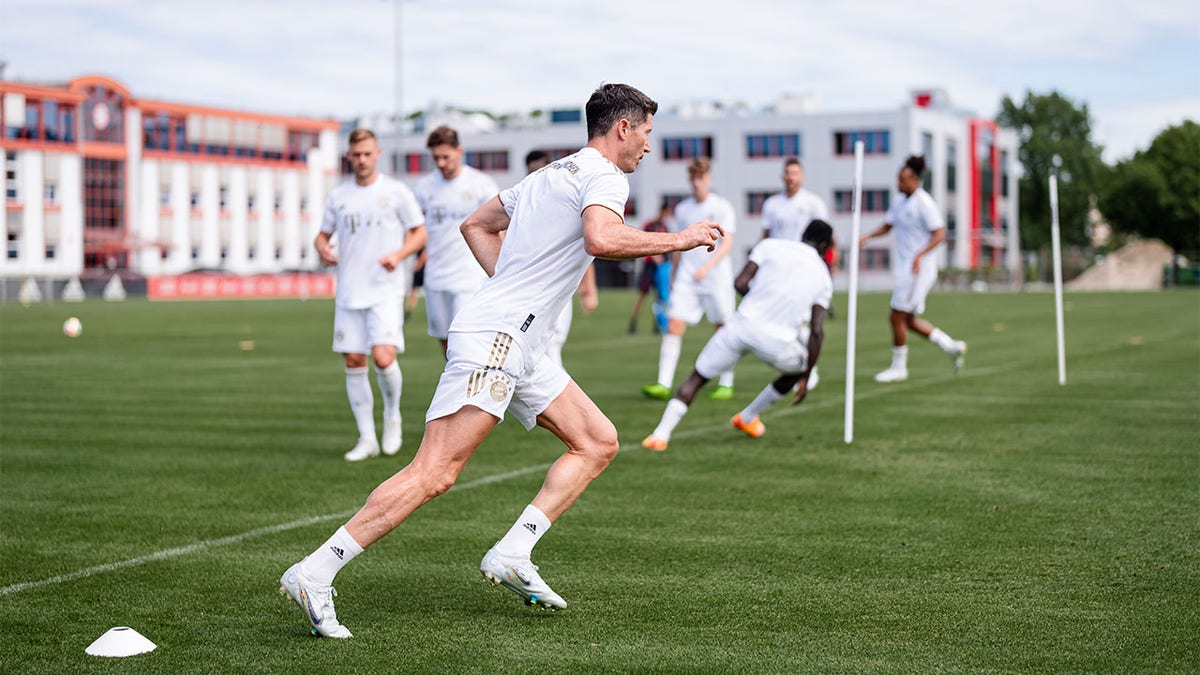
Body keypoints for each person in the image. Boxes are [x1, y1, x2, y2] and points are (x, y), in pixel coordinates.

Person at [279, 83, 724, 638]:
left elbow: (475, 225)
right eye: (648, 134)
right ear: (623, 128)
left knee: (597, 440)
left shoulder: (550, 174)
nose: (648, 148)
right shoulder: (606, 176)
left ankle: (513, 552)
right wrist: (679, 238)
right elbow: (601, 238)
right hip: (498, 337)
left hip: (518, 339)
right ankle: (315, 572)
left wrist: (513, 292)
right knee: (435, 472)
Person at [642, 220, 833, 450]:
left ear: (804, 233)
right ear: (824, 245)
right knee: (799, 369)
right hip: (777, 342)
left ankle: (659, 435)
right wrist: (807, 375)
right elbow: (817, 333)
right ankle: (748, 417)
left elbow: (740, 282)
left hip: (740, 327)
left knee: (697, 378)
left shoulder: (770, 245)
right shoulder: (823, 277)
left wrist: (758, 302)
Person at [314, 128, 427, 462]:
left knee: (383, 357)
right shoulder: (339, 196)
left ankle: (392, 417)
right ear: (349, 157)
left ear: (377, 154)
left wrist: (399, 254)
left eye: (367, 154)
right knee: (353, 360)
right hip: (350, 289)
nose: (361, 160)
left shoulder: (396, 192)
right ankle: (367, 438)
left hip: (385, 289)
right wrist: (323, 250)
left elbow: (420, 232)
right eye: (356, 155)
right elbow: (321, 237)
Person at [858, 155, 966, 383]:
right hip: (906, 268)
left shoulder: (924, 203)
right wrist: (868, 236)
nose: (898, 184)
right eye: (898, 179)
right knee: (907, 320)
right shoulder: (899, 201)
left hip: (919, 270)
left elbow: (940, 234)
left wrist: (919, 255)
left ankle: (899, 368)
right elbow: (888, 225)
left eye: (903, 180)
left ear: (915, 180)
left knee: (895, 315)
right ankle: (950, 346)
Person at [642, 158, 737, 401]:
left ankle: (726, 382)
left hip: (715, 278)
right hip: (687, 278)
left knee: (723, 327)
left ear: (708, 179)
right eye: (693, 179)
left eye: (701, 179)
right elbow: (678, 245)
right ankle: (663, 383)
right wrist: (674, 275)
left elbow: (727, 244)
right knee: (674, 326)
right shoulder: (683, 209)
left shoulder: (723, 207)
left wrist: (707, 267)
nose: (696, 184)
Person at [414, 126, 500, 358]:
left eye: (445, 157)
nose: (441, 163)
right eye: (436, 158)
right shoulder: (423, 188)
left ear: (459, 151)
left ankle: (474, 392)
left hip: (469, 276)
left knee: (466, 340)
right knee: (446, 344)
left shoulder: (481, 184)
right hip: (436, 277)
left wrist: (500, 267)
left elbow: (499, 228)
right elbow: (417, 230)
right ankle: (459, 392)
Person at [524, 150, 600, 367]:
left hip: (558, 283)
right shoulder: (525, 201)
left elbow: (586, 245)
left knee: (551, 344)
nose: (535, 175)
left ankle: (556, 399)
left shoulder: (565, 202)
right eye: (531, 171)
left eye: (539, 170)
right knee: (535, 349)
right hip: (529, 286)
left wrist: (589, 289)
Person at [628, 206, 673, 335]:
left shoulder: (665, 228)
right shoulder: (650, 225)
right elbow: (644, 242)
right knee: (642, 296)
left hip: (661, 269)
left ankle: (657, 324)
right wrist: (654, 257)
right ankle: (633, 322)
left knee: (659, 297)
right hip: (649, 267)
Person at [759, 157, 828, 241]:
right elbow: (765, 234)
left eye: (794, 173)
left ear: (802, 176)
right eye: (787, 173)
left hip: (803, 252)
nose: (790, 178)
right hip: (778, 253)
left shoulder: (814, 203)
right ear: (782, 176)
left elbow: (823, 234)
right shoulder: (771, 204)